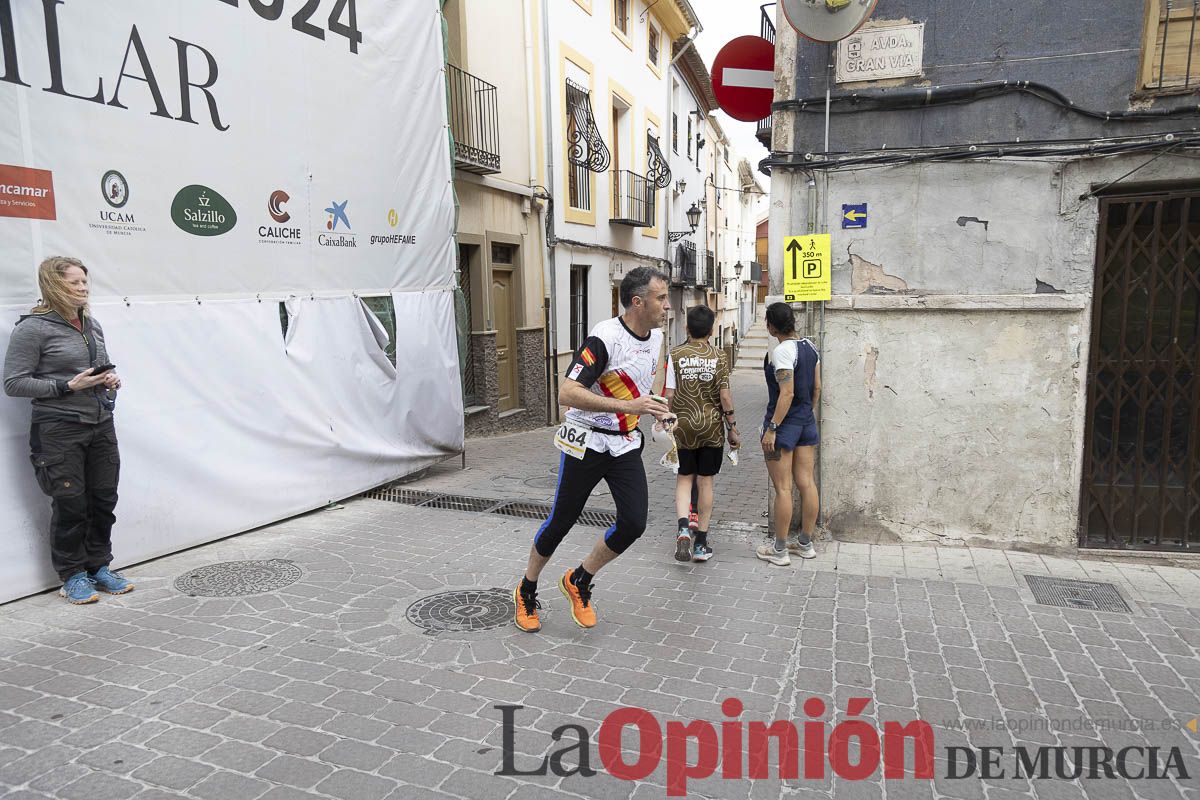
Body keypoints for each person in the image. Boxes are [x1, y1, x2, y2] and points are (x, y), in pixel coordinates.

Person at [514, 266, 673, 632]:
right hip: (586, 441)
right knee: (562, 521)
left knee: (633, 523)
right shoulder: (605, 337)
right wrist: (627, 407)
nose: (668, 306)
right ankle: (526, 589)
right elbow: (567, 393)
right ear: (638, 302)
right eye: (661, 298)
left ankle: (579, 580)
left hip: (626, 444)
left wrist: (661, 413)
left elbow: (645, 390)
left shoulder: (657, 337)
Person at [3, 256, 131, 604]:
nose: (83, 288)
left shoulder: (92, 324)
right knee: (71, 504)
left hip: (100, 424)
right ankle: (73, 575)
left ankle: (99, 566)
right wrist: (65, 386)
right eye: (74, 283)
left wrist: (107, 380)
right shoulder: (33, 328)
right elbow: (13, 383)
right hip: (58, 430)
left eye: (85, 282)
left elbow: (92, 372)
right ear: (53, 285)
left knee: (103, 500)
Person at [664, 305, 740, 562]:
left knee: (684, 479)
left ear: (687, 328)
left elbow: (670, 395)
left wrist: (665, 421)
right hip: (711, 428)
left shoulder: (675, 355)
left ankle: (684, 528)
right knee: (705, 482)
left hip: (682, 426)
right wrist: (732, 427)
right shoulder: (719, 356)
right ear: (711, 330)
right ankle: (701, 545)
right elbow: (725, 396)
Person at [756, 302, 820, 567]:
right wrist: (806, 414)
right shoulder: (810, 347)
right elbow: (816, 388)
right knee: (806, 483)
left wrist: (773, 427)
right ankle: (805, 544)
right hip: (806, 421)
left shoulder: (782, 351)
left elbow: (787, 392)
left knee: (783, 488)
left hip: (783, 425)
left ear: (772, 326)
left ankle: (780, 550)